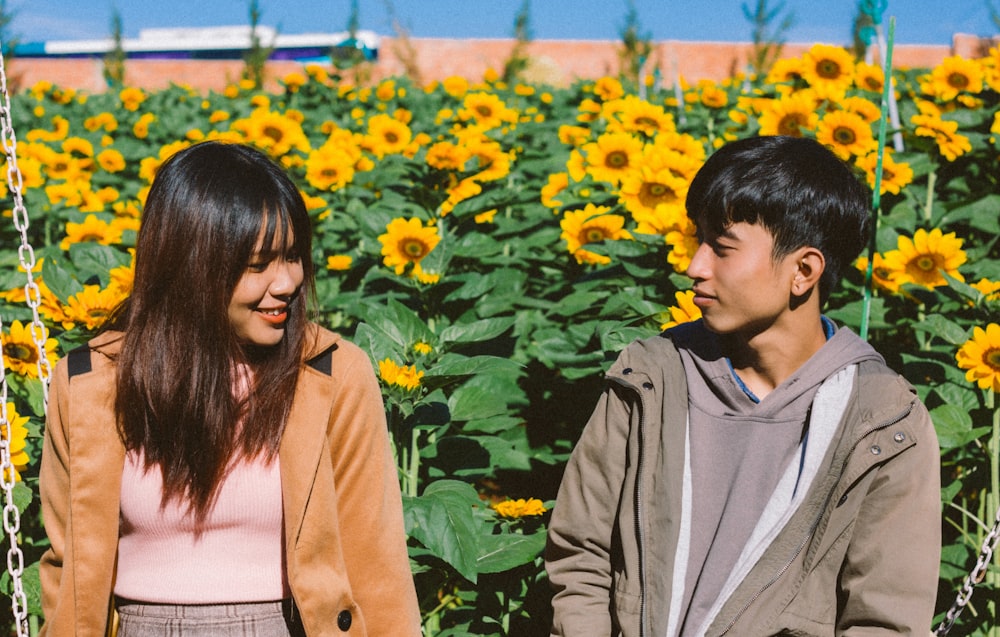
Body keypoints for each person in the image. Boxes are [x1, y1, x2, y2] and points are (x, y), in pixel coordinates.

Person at [545, 135, 941, 636]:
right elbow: (581, 555)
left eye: (722, 248)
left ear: (803, 271)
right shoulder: (650, 379)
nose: (695, 267)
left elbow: (884, 619)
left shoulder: (881, 421)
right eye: (698, 240)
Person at [39, 141, 422, 636]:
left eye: (292, 257)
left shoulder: (331, 374)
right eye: (258, 264)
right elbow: (66, 566)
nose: (286, 283)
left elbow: (375, 561)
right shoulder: (90, 382)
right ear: (192, 265)